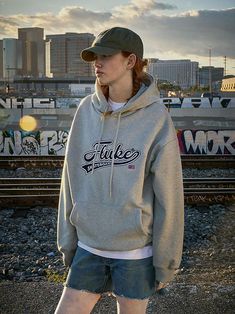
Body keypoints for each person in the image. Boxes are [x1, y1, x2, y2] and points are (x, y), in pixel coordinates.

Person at [55, 27, 184, 314]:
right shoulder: (86, 110)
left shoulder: (155, 117)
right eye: (94, 57)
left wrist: (166, 260)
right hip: (89, 247)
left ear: (130, 61)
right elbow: (70, 178)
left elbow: (170, 194)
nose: (97, 63)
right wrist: (68, 241)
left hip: (135, 253)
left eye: (106, 55)